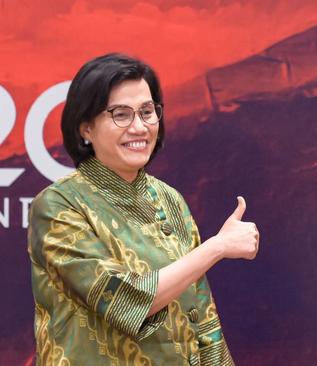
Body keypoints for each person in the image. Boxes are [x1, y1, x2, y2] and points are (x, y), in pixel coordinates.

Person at [28, 53, 259, 365]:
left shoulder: (169, 199)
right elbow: (124, 301)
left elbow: (201, 318)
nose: (139, 127)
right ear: (85, 128)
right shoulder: (58, 205)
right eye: (121, 114)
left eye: (147, 112)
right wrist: (217, 247)